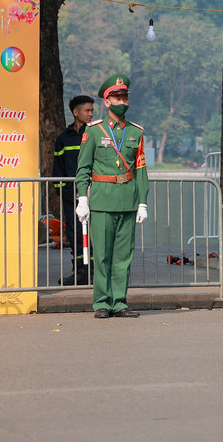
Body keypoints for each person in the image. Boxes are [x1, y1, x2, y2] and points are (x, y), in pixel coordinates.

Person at [74, 73, 150, 318]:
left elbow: (140, 170)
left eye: (125, 97)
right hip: (102, 201)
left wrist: (142, 202)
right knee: (103, 256)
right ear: (106, 102)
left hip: (127, 200)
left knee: (123, 257)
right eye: (117, 98)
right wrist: (82, 199)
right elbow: (83, 168)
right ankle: (102, 303)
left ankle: (119, 302)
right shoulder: (94, 131)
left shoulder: (136, 132)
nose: (122, 102)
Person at [53, 94, 94, 285]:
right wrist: (63, 191)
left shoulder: (95, 134)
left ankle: (95, 271)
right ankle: (80, 271)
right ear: (75, 112)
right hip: (71, 196)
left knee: (95, 233)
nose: (91, 114)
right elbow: (58, 168)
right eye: (87, 110)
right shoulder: (64, 138)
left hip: (94, 193)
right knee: (75, 233)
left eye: (92, 110)